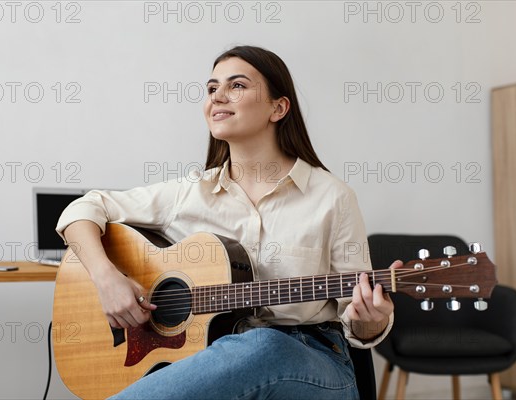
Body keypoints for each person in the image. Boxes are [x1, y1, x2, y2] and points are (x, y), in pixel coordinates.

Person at [56, 45, 400, 399]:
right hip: (213, 357)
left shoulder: (332, 197)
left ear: (278, 108)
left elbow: (357, 323)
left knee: (265, 343)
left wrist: (369, 318)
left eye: (236, 85)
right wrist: (107, 278)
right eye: (211, 88)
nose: (218, 96)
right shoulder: (188, 194)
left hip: (316, 361)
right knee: (249, 346)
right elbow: (82, 209)